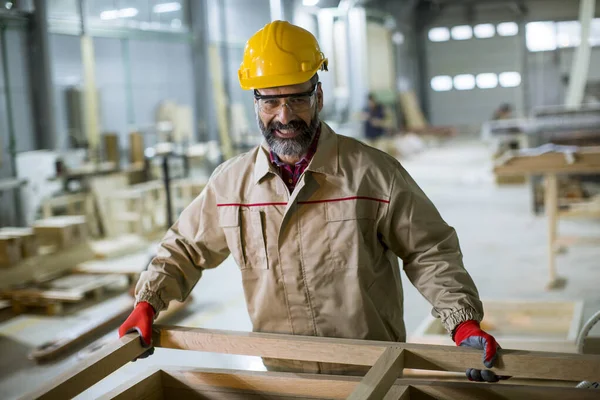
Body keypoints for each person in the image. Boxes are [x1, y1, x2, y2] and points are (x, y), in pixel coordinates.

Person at [119, 20, 500, 382]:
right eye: (270, 101)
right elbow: (185, 248)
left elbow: (429, 250)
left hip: (372, 372)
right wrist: (148, 301)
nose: (284, 116)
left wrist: (461, 321)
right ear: (255, 103)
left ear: (317, 95)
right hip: (285, 378)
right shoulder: (231, 186)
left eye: (296, 98)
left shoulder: (372, 173)